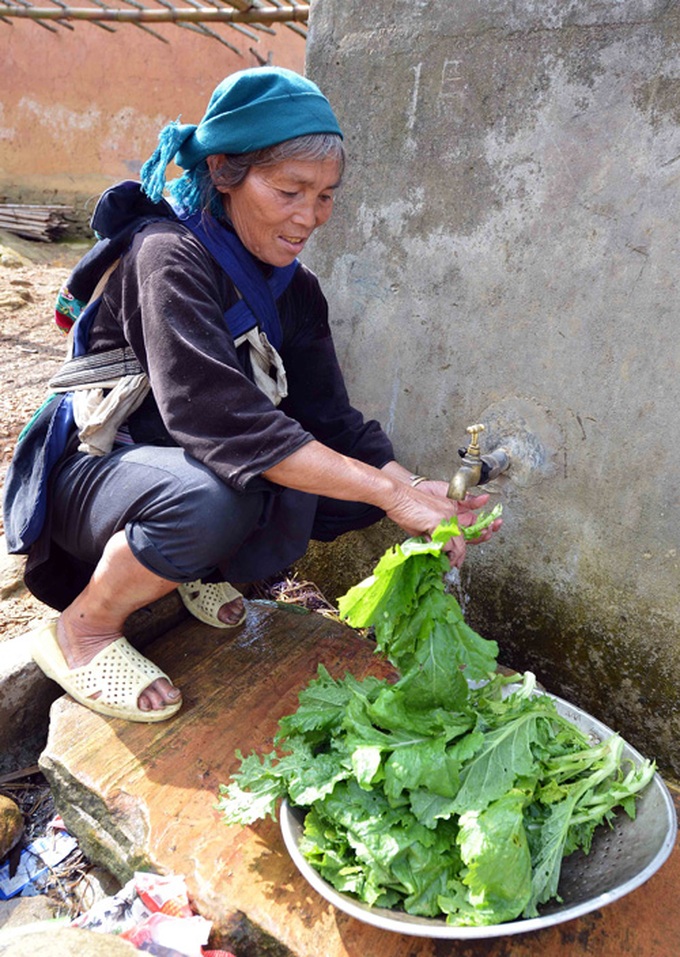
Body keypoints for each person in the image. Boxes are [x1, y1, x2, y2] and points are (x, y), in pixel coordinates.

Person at [3, 67, 501, 723]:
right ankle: (85, 628)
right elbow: (218, 419)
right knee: (214, 497)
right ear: (225, 173)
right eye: (290, 190)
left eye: (325, 196)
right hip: (97, 473)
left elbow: (334, 423)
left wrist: (410, 486)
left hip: (177, 463)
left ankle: (193, 574)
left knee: (336, 491)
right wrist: (389, 491)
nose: (310, 217)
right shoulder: (168, 256)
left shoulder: (294, 291)